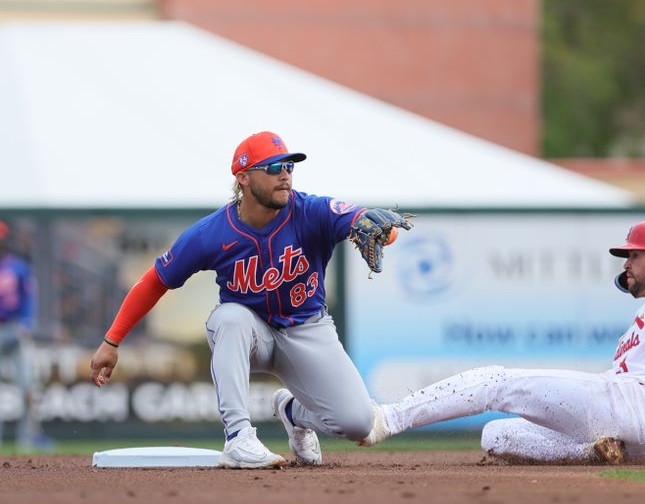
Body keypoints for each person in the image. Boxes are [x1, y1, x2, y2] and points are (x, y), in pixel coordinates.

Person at [89, 131, 412, 468]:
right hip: (251, 334)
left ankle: (293, 412)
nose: (285, 174)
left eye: (289, 165)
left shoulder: (311, 211)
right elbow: (155, 281)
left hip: (307, 329)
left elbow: (367, 224)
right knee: (230, 317)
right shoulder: (212, 232)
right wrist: (112, 340)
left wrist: (374, 227)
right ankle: (239, 438)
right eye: (273, 167)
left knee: (358, 424)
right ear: (243, 177)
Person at [360, 161, 645, 464]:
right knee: (497, 435)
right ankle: (592, 453)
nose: (627, 262)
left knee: (496, 383)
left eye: (635, 254)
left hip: (631, 406)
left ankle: (388, 418)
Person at [0, 220, 49, 451]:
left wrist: (27, 323)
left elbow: (28, 299)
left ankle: (27, 440)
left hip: (13, 329)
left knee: (29, 386)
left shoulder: (17, 267)